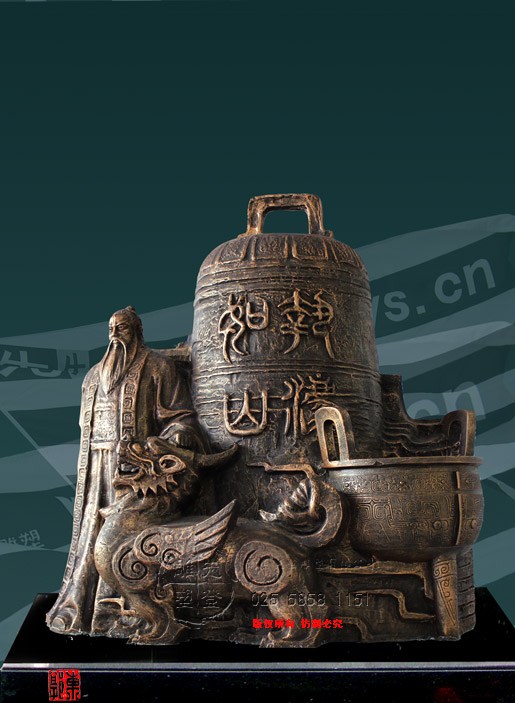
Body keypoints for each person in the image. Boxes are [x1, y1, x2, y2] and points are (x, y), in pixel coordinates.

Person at [47, 306, 207, 636]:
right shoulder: (93, 376)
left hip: (137, 469)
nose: (115, 335)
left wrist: (174, 437)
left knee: (126, 535)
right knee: (91, 529)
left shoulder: (158, 366)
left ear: (137, 331)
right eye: (111, 329)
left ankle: (127, 606)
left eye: (122, 328)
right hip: (97, 468)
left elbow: (181, 417)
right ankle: (84, 605)